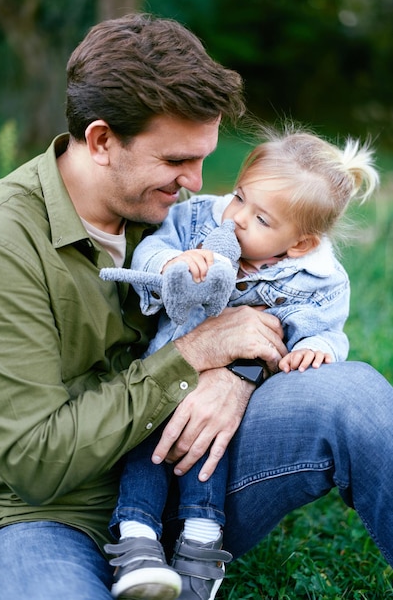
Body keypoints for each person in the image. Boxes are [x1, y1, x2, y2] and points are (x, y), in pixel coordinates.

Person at [0, 12, 392, 600]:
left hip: (189, 478)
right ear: (101, 140)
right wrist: (195, 356)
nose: (198, 183)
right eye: (175, 162)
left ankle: (187, 547)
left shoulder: (186, 216)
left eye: (203, 157)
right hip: (44, 516)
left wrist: (238, 373)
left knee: (356, 397)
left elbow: (266, 302)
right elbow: (36, 461)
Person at [102, 124, 379, 600]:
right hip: (164, 374)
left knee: (209, 455)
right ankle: (137, 543)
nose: (237, 219)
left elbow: (321, 329)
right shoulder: (198, 220)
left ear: (300, 245)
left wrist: (318, 349)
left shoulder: (314, 277)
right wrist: (173, 266)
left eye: (262, 219)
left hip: (228, 406)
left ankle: (200, 546)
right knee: (148, 450)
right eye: (239, 197)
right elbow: (153, 247)